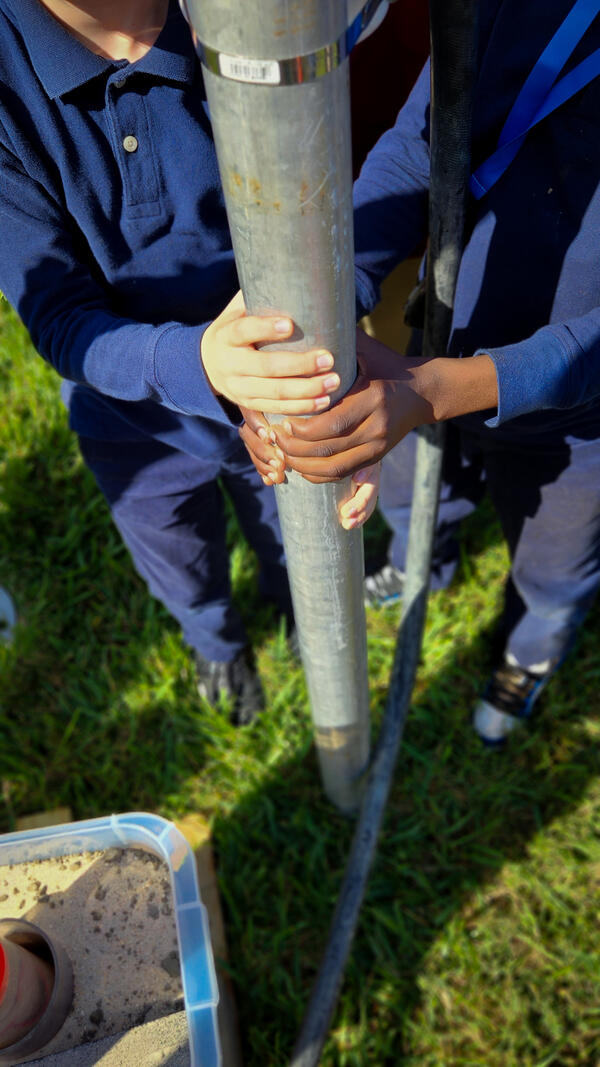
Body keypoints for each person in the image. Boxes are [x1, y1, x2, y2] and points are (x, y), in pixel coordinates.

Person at [241, 0, 600, 742]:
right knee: (408, 488)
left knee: (555, 560)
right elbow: (423, 141)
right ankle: (419, 563)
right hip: (435, 337)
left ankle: (527, 652)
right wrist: (341, 288)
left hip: (577, 414)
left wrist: (438, 391)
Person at [0, 0, 343, 724]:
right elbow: (59, 318)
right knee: (178, 556)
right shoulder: (10, 81)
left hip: (273, 391)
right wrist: (199, 364)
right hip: (131, 416)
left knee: (292, 530)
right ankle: (215, 643)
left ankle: (305, 614)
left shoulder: (245, 18)